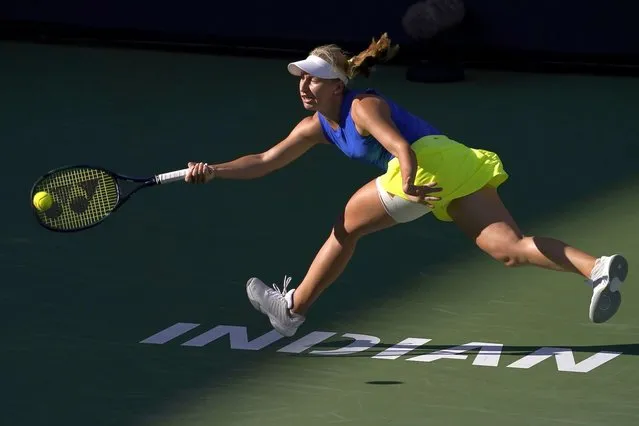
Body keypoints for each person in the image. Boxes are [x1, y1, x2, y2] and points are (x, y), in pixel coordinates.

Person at [185, 33, 629, 337]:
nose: (304, 84)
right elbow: (265, 160)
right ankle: (597, 268)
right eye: (301, 77)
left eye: (313, 77)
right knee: (508, 248)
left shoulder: (362, 107)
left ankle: (292, 310)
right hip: (456, 162)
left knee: (346, 225)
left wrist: (411, 183)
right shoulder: (316, 125)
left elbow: (399, 145)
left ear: (337, 85)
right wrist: (215, 170)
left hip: (422, 165)